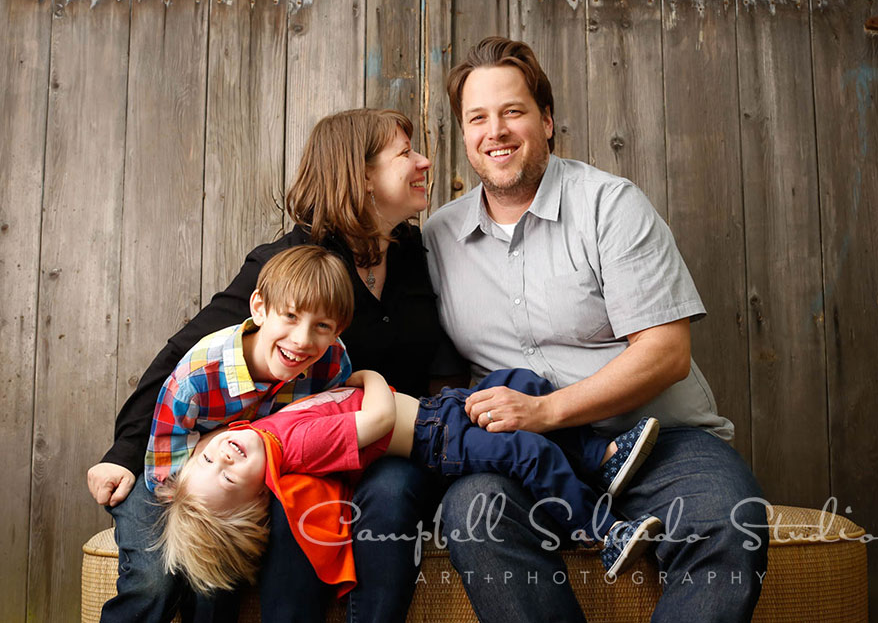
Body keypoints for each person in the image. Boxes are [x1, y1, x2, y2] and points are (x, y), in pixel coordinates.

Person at [422, 36, 769, 622]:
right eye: (477, 118)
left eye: (513, 112)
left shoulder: (610, 205)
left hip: (658, 439)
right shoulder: (437, 238)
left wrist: (544, 412)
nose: (495, 131)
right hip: (527, 455)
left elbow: (665, 353)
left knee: (727, 524)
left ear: (547, 120)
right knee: (472, 510)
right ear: (464, 135)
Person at [86, 108, 445, 623]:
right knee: (158, 575)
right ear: (362, 175)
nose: (424, 161)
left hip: (365, 444)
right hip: (214, 444)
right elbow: (182, 357)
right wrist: (123, 452)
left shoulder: (412, 253)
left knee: (379, 494)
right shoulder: (294, 262)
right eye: (406, 153)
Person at [154, 366, 663, 596]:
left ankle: (601, 457)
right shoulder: (290, 450)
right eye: (229, 477)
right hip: (435, 441)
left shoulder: (260, 429)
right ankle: (600, 530)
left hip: (440, 411)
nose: (223, 457)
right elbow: (374, 421)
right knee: (523, 451)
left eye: (206, 462)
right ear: (255, 497)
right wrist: (371, 377)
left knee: (521, 386)